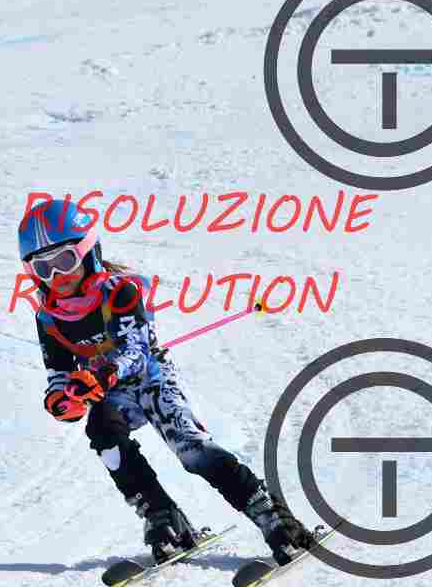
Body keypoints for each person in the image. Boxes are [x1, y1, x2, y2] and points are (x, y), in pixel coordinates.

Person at [19, 198, 314, 565]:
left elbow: (136, 349)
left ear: (88, 252)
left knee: (191, 449)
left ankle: (275, 518)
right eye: (42, 267)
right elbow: (59, 372)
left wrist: (101, 376)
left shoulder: (120, 291)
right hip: (110, 392)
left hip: (151, 379)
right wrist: (61, 399)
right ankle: (163, 517)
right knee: (102, 430)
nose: (56, 275)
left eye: (65, 261)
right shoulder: (49, 319)